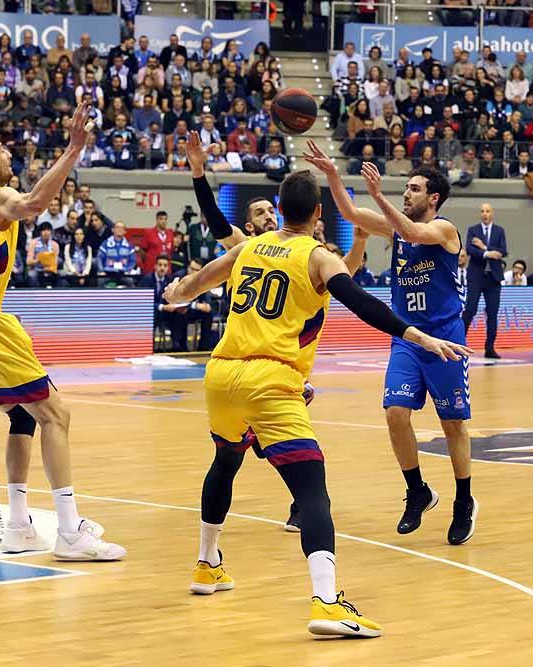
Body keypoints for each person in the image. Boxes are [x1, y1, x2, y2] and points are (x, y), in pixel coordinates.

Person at [164, 168, 470, 637]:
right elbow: (363, 303)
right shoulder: (319, 257)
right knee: (312, 491)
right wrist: (417, 337)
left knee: (225, 461)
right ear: (318, 213)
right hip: (271, 378)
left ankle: (207, 565)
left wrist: (178, 293)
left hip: (220, 374)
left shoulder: (248, 246)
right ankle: (327, 603)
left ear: (280, 210)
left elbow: (199, 280)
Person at [0, 85, 124, 561]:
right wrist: (74, 148)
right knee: (56, 414)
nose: (10, 157)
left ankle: (19, 525)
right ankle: (69, 532)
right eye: (2, 152)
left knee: (23, 414)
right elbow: (36, 203)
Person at [186, 130, 367, 531]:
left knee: (265, 450)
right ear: (249, 225)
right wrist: (198, 174)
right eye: (260, 214)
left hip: (277, 362)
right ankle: (302, 507)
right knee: (260, 452)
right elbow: (215, 217)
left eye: (272, 210)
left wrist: (359, 242)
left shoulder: (312, 253)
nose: (268, 216)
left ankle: (295, 509)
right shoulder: (244, 245)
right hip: (253, 360)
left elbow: (346, 278)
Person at [304, 140, 479, 546]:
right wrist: (333, 175)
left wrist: (380, 196)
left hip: (446, 339)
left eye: (415, 189)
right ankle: (417, 490)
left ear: (433, 197)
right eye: (406, 188)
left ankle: (463, 502)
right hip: (406, 338)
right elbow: (349, 213)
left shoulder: (444, 229)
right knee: (395, 413)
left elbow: (413, 230)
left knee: (453, 424)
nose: (407, 192)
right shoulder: (395, 226)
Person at [462, 203, 506, 359]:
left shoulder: (499, 231)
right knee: (470, 310)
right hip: (476, 277)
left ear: (492, 213)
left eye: (488, 211)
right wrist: (488, 253)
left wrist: (483, 246)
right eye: (482, 211)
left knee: (492, 314)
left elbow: (502, 251)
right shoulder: (473, 230)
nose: (485, 214)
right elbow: (470, 249)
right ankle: (460, 343)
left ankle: (490, 348)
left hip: (493, 278)